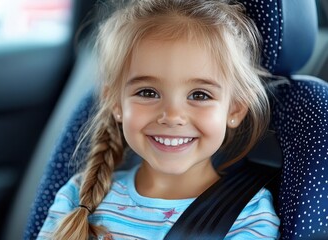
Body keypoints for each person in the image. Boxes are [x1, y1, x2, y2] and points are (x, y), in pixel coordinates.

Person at [38, 0, 280, 239]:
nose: (172, 116)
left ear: (234, 110)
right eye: (148, 92)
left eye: (199, 95)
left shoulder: (248, 217)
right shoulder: (78, 198)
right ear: (116, 103)